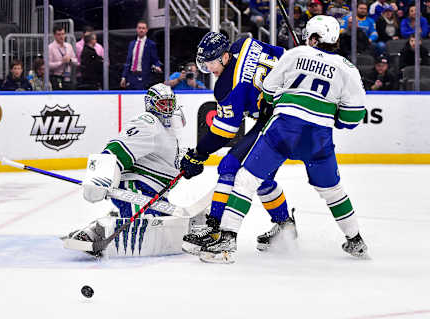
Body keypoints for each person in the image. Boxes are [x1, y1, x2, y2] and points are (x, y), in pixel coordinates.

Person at [198, 15, 369, 264]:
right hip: (318, 137)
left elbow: (268, 91)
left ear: (311, 37)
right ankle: (355, 240)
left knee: (246, 179)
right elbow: (352, 118)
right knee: (333, 191)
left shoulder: (295, 54)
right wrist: (334, 116)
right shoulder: (348, 69)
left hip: (283, 129)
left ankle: (226, 242)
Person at [178, 32, 293, 257]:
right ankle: (286, 226)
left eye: (211, 62)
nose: (209, 69)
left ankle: (215, 231)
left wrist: (199, 153)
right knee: (260, 176)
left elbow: (223, 133)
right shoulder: (246, 42)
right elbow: (284, 55)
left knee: (229, 165)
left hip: (279, 120)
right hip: (294, 111)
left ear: (223, 57)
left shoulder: (227, 87)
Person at [63, 83, 191, 258]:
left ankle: (97, 228)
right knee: (141, 229)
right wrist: (99, 178)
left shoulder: (170, 125)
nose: (168, 109)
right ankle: (95, 232)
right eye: (163, 104)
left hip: (155, 193)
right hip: (136, 187)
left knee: (164, 224)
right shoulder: (148, 122)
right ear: (151, 104)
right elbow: (116, 149)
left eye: (170, 103)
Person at [120, 20, 162, 90]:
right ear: (137, 29)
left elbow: (155, 59)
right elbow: (128, 62)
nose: (141, 30)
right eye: (139, 28)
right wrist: (124, 77)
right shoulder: (132, 44)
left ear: (146, 30)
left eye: (143, 28)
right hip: (131, 76)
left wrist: (157, 66)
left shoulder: (151, 44)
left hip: (143, 77)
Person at [48, 26, 78, 90]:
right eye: (59, 34)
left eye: (63, 34)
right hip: (56, 77)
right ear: (54, 35)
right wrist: (61, 62)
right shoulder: (50, 48)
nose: (61, 37)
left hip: (68, 77)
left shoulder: (69, 46)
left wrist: (70, 60)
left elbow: (76, 61)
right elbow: (48, 65)